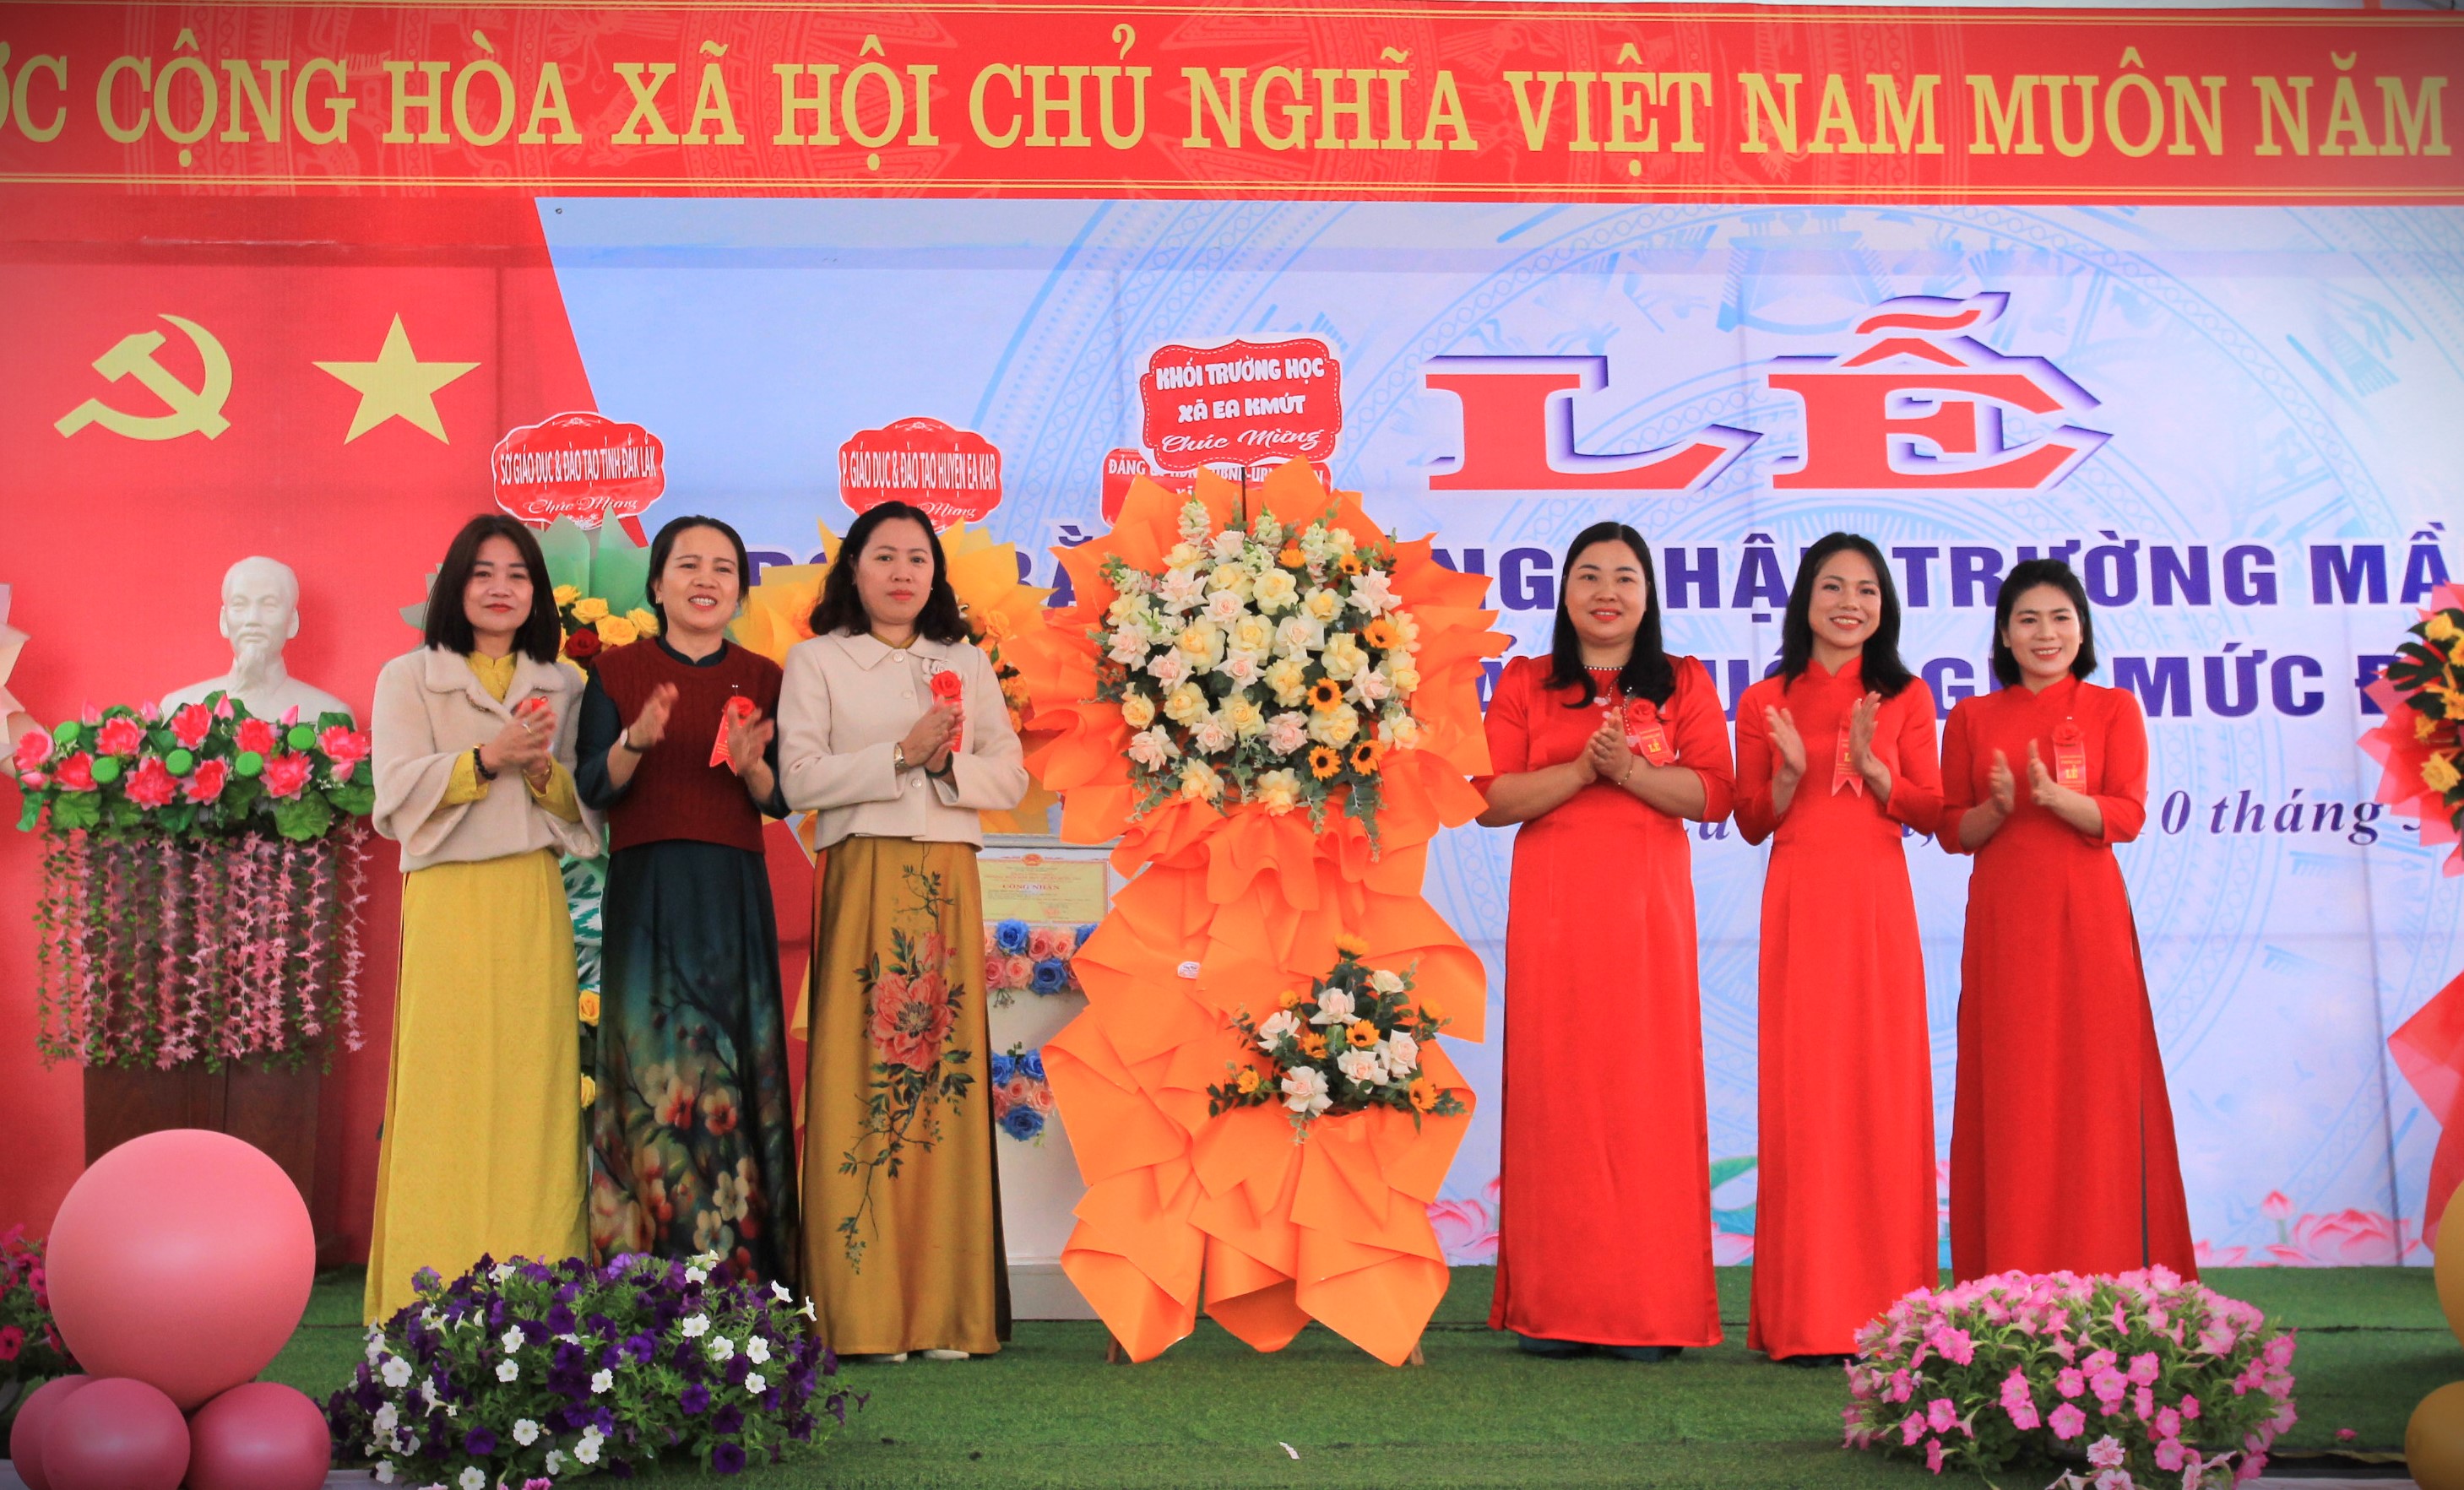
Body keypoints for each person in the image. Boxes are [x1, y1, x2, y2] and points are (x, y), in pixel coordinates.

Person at [1474, 521, 1735, 1360]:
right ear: (1564, 593)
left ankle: (1645, 1310)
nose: (1606, 592)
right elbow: (1490, 799)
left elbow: (1713, 794)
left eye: (1625, 576)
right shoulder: (1525, 681)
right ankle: (1553, 1309)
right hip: (1554, 919)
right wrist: (1585, 771)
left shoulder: (1682, 681)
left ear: (1648, 595)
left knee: (1643, 1100)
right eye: (1588, 575)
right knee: (1557, 1098)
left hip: (1646, 922)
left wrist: (1631, 772)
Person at [777, 501, 1027, 1361]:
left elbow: (1008, 775)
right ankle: (863, 1311)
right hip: (863, 871)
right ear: (853, 567)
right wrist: (898, 754)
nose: (902, 572)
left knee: (942, 1083)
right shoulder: (816, 660)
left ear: (935, 575)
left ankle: (946, 1311)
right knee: (863, 1078)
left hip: (948, 877)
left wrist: (947, 761)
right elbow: (797, 777)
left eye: (918, 558)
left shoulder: (964, 661)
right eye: (883, 556)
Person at [366, 515, 600, 1321]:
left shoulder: (564, 684)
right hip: (447, 897)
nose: (501, 588)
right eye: (483, 573)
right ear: (455, 587)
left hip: (531, 896)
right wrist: (484, 760)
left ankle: (540, 1294)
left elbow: (582, 807)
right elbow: (394, 794)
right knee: (446, 1088)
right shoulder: (407, 677)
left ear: (538, 592)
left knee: (536, 1087)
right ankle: (425, 1295)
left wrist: (538, 774)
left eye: (518, 574)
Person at [1940, 558, 2196, 1281]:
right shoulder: (1972, 717)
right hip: (2004, 921)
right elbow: (1952, 828)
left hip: (2088, 916)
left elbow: (2128, 814)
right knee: (2013, 1084)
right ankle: (2010, 1271)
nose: (2045, 633)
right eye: (2028, 619)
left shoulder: (2114, 708)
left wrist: (2058, 799)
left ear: (2082, 629)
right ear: (2004, 634)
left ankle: (2108, 1262)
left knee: (2096, 1084)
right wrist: (1997, 809)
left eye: (2060, 617)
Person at [1732, 534, 1942, 1366]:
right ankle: (1806, 1316)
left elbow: (1932, 811)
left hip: (1876, 908)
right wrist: (1788, 774)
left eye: (1865, 589)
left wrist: (1875, 770)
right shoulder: (1766, 699)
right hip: (1799, 904)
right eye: (1832, 587)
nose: (1848, 603)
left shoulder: (1908, 696)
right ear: (1805, 600)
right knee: (1806, 1097)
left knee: (1879, 1093)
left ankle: (1890, 1312)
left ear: (1883, 605)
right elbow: (1751, 820)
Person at [576, 514, 800, 1288]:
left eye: (723, 568)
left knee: (734, 1068)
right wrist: (636, 740)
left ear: (740, 590)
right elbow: (594, 785)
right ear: (657, 583)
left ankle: (749, 1274)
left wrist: (751, 764)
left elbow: (780, 798)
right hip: (647, 894)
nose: (706, 580)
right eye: (688, 565)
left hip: (732, 893)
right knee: (650, 1072)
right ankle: (646, 1274)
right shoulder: (615, 671)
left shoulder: (766, 677)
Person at [162, 555, 355, 723]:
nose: (253, 619)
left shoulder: (329, 716)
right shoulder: (176, 709)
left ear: (292, 622)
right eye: (240, 604)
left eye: (269, 605)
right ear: (224, 621)